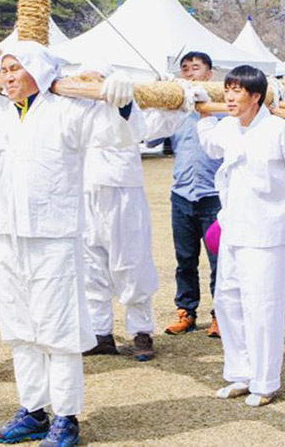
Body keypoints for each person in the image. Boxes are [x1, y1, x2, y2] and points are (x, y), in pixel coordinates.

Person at [0, 41, 136, 447]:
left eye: (16, 69)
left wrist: (122, 103)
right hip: (9, 238)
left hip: (53, 240)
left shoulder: (68, 111)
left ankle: (65, 417)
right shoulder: (6, 118)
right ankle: (33, 411)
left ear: (39, 73)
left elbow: (114, 136)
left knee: (58, 331)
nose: (8, 77)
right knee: (19, 329)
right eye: (4, 70)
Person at [196, 65, 285, 407]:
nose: (229, 96)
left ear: (255, 96)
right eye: (227, 89)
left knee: (262, 306)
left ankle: (266, 380)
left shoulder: (279, 129)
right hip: (233, 228)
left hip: (266, 232)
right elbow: (211, 146)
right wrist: (199, 112)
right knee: (228, 301)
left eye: (237, 90)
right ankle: (241, 373)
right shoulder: (227, 126)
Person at [81, 66, 159, 362]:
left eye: (96, 79)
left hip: (122, 192)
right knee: (91, 267)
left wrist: (124, 101)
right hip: (85, 193)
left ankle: (141, 331)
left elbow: (141, 129)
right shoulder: (76, 110)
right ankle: (100, 333)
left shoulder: (126, 104)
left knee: (132, 263)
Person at [157, 51, 223, 338]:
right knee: (185, 259)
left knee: (220, 260)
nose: (190, 74)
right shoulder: (177, 111)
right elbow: (150, 135)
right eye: (185, 69)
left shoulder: (223, 109)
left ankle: (221, 313)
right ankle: (186, 311)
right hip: (182, 195)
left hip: (215, 196)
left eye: (196, 68)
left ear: (209, 74)